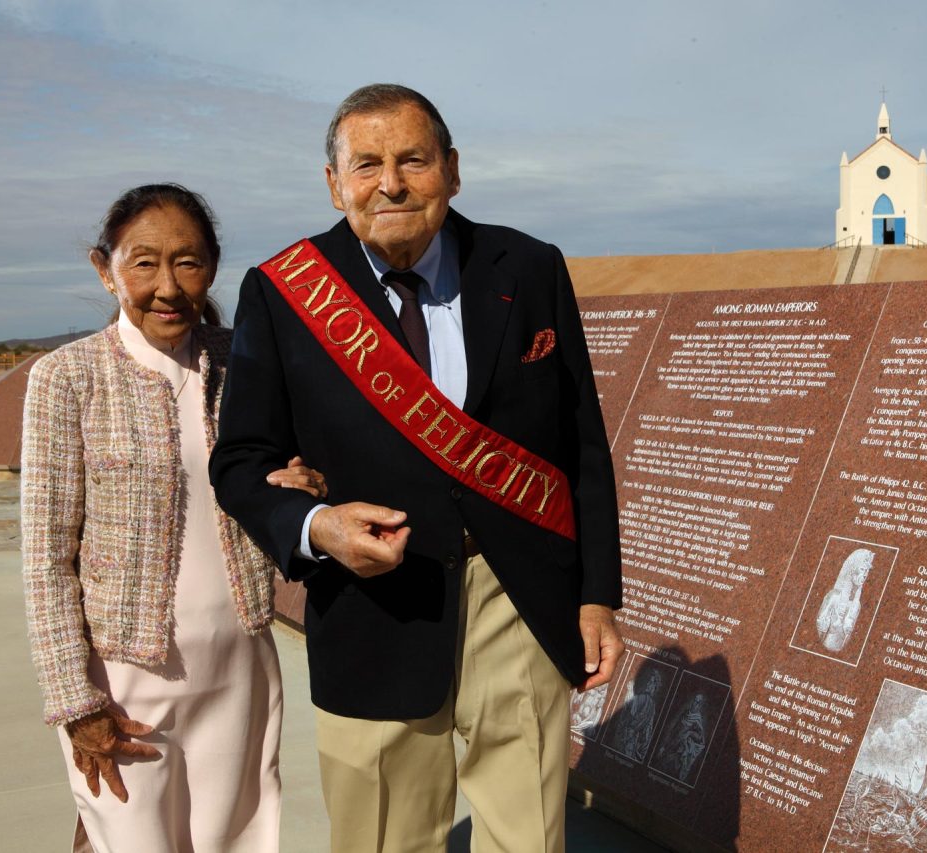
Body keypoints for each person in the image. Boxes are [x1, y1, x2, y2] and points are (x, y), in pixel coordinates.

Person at [209, 84, 624, 852]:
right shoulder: (282, 292)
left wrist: (597, 598)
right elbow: (240, 461)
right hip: (373, 611)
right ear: (333, 183)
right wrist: (315, 526)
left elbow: (581, 445)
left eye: (413, 159)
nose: (391, 182)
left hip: (517, 600)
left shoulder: (529, 267)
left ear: (453, 170)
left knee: (529, 837)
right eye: (365, 164)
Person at [21, 184, 328, 852]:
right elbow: (45, 559)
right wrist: (77, 702)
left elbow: (287, 476)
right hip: (125, 681)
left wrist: (300, 485)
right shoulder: (66, 378)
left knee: (237, 839)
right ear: (106, 269)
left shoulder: (243, 362)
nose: (168, 286)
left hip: (240, 662)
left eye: (187, 263)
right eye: (144, 263)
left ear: (212, 268)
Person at [815, 547, 874, 653]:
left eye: (866, 571)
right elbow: (819, 631)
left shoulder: (857, 604)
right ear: (852, 570)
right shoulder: (834, 596)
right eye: (861, 569)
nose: (865, 574)